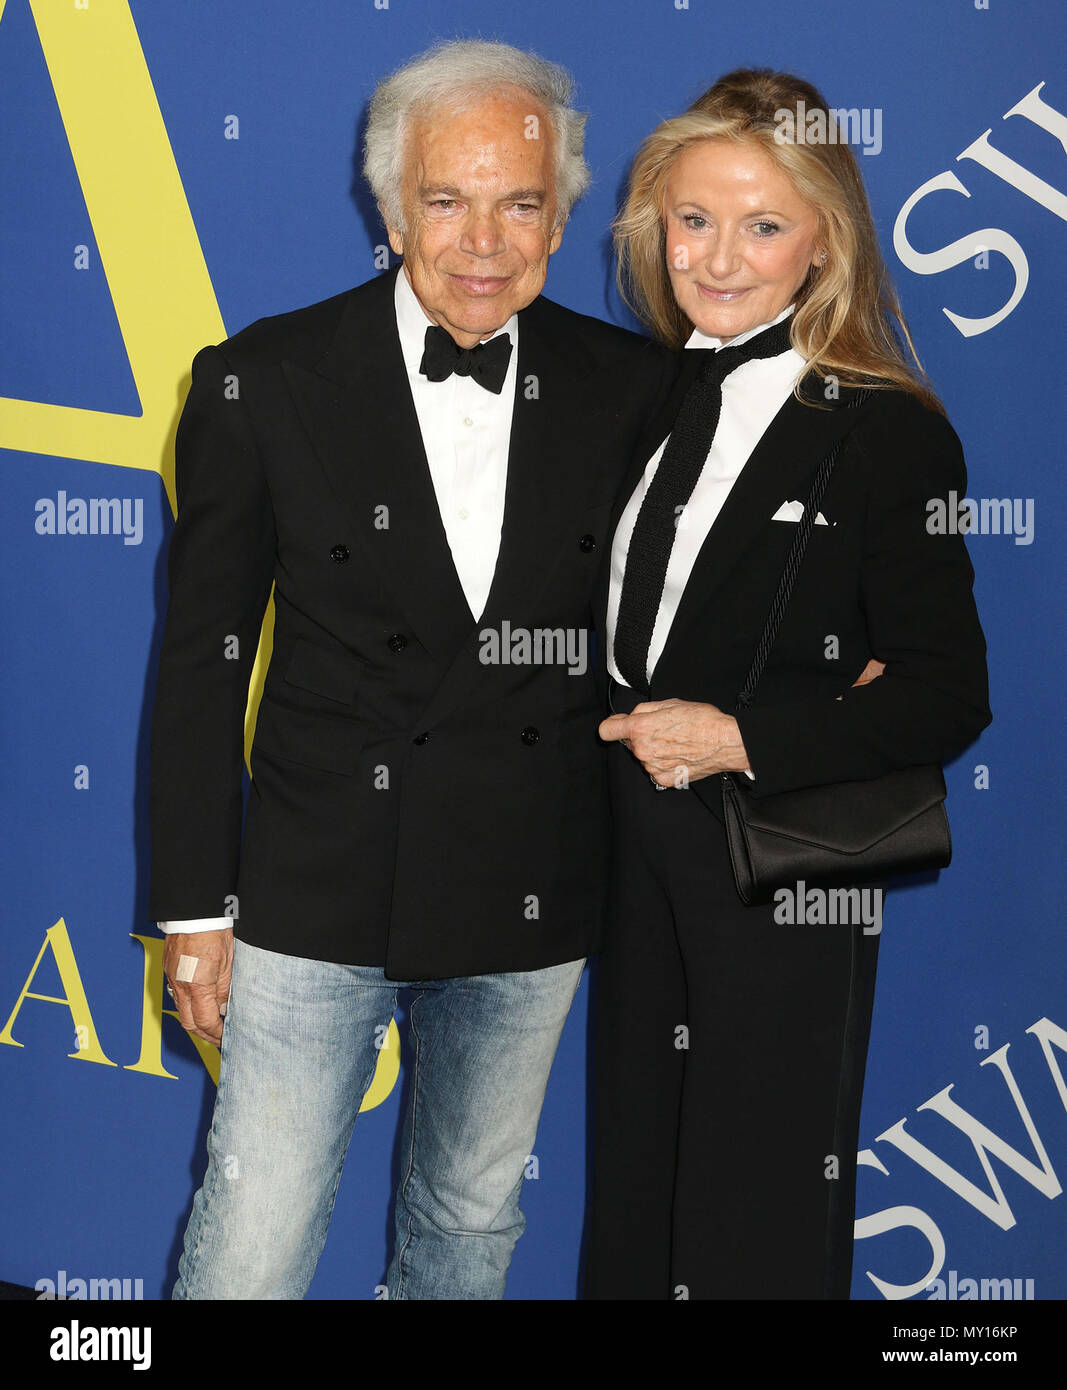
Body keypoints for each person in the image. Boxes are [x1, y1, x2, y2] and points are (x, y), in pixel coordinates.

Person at [148, 38, 674, 1300]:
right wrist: (194, 914)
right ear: (389, 210)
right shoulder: (259, 380)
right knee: (257, 1232)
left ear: (564, 215)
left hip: (530, 890)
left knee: (467, 1224)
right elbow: (201, 664)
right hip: (312, 894)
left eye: (521, 203)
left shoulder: (636, 390)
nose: (483, 240)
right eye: (447, 199)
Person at [583, 68, 991, 1300]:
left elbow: (943, 690)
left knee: (752, 1216)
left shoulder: (884, 429)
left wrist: (742, 736)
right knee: (633, 1195)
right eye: (692, 219)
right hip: (626, 848)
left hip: (779, 862)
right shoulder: (637, 393)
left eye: (762, 226)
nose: (715, 259)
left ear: (824, 244)